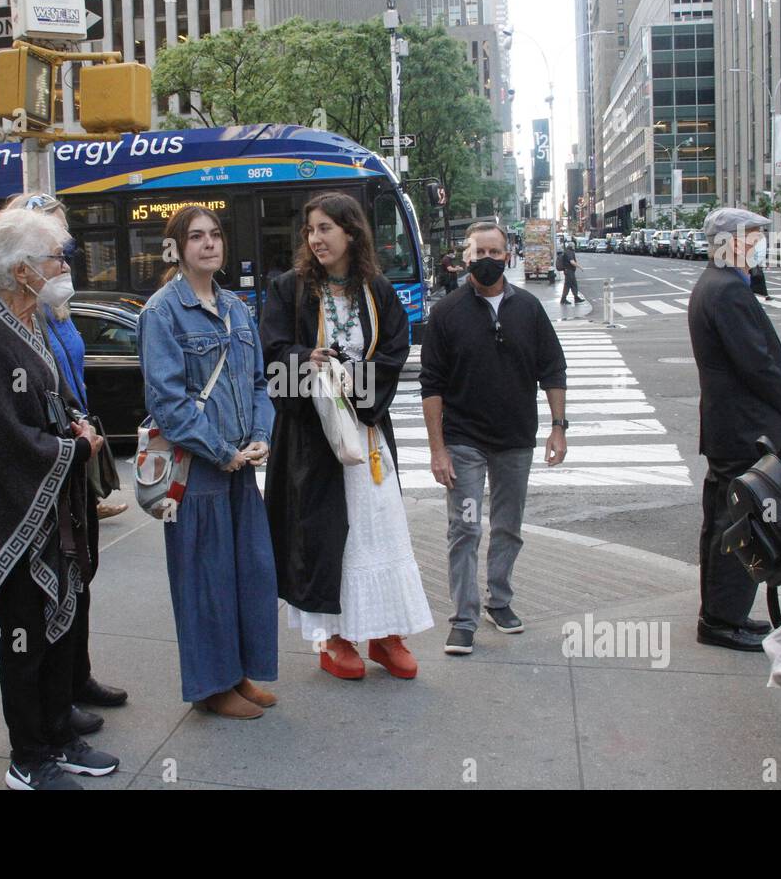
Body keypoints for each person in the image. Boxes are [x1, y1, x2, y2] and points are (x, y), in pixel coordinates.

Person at [0, 208, 118, 790]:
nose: (65, 266)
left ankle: (59, 736)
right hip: (10, 518)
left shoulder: (32, 319)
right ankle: (28, 757)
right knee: (24, 639)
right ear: (21, 271)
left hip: (51, 514)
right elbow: (3, 436)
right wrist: (75, 447)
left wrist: (77, 426)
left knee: (59, 629)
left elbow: (53, 400)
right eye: (55, 258)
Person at [261, 191, 432, 681]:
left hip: (369, 432)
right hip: (313, 440)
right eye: (310, 230)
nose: (315, 239)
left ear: (351, 233)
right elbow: (273, 360)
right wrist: (306, 363)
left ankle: (385, 633)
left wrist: (353, 383)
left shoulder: (375, 289)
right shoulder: (287, 289)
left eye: (325, 229)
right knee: (329, 537)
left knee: (377, 531)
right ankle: (334, 639)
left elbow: (396, 352)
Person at [0, 192, 130, 736]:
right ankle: (52, 710)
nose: (63, 257)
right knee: (47, 591)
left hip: (75, 451)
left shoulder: (55, 303)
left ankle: (76, 678)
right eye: (51, 247)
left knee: (80, 572)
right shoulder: (6, 315)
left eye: (63, 244)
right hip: (49, 464)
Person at [137, 204, 279, 718]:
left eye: (215, 234)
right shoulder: (161, 312)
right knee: (205, 581)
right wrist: (222, 452)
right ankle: (211, 688)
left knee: (247, 575)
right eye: (196, 237)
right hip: (198, 471)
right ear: (176, 248)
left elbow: (261, 385)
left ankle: (238, 674)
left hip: (241, 466)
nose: (209, 243)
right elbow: (168, 403)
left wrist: (261, 436)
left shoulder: (238, 308)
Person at [421, 222, 568, 656]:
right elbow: (432, 385)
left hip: (515, 441)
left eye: (495, 251)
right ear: (465, 256)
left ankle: (498, 601)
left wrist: (559, 426)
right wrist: (437, 450)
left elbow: (552, 369)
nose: (487, 259)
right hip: (465, 443)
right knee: (465, 527)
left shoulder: (529, 309)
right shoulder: (447, 312)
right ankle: (463, 618)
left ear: (509, 255)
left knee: (508, 527)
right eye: (479, 251)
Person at [687, 207, 781, 651]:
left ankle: (721, 613)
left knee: (721, 522)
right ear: (729, 241)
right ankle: (721, 619)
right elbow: (756, 364)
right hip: (742, 428)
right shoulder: (727, 290)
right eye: (752, 236)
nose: (758, 244)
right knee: (738, 525)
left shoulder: (717, 284)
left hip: (728, 427)